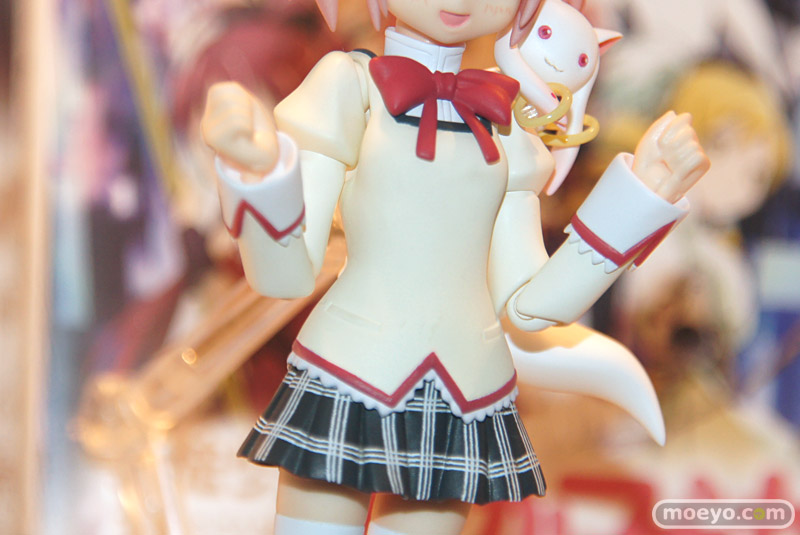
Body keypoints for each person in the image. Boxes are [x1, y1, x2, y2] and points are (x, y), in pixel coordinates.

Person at [200, 0, 710, 533]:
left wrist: (639, 200)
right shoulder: (349, 88)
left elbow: (529, 306)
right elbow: (287, 274)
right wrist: (258, 176)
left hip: (465, 394)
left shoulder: (507, 126)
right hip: (347, 370)